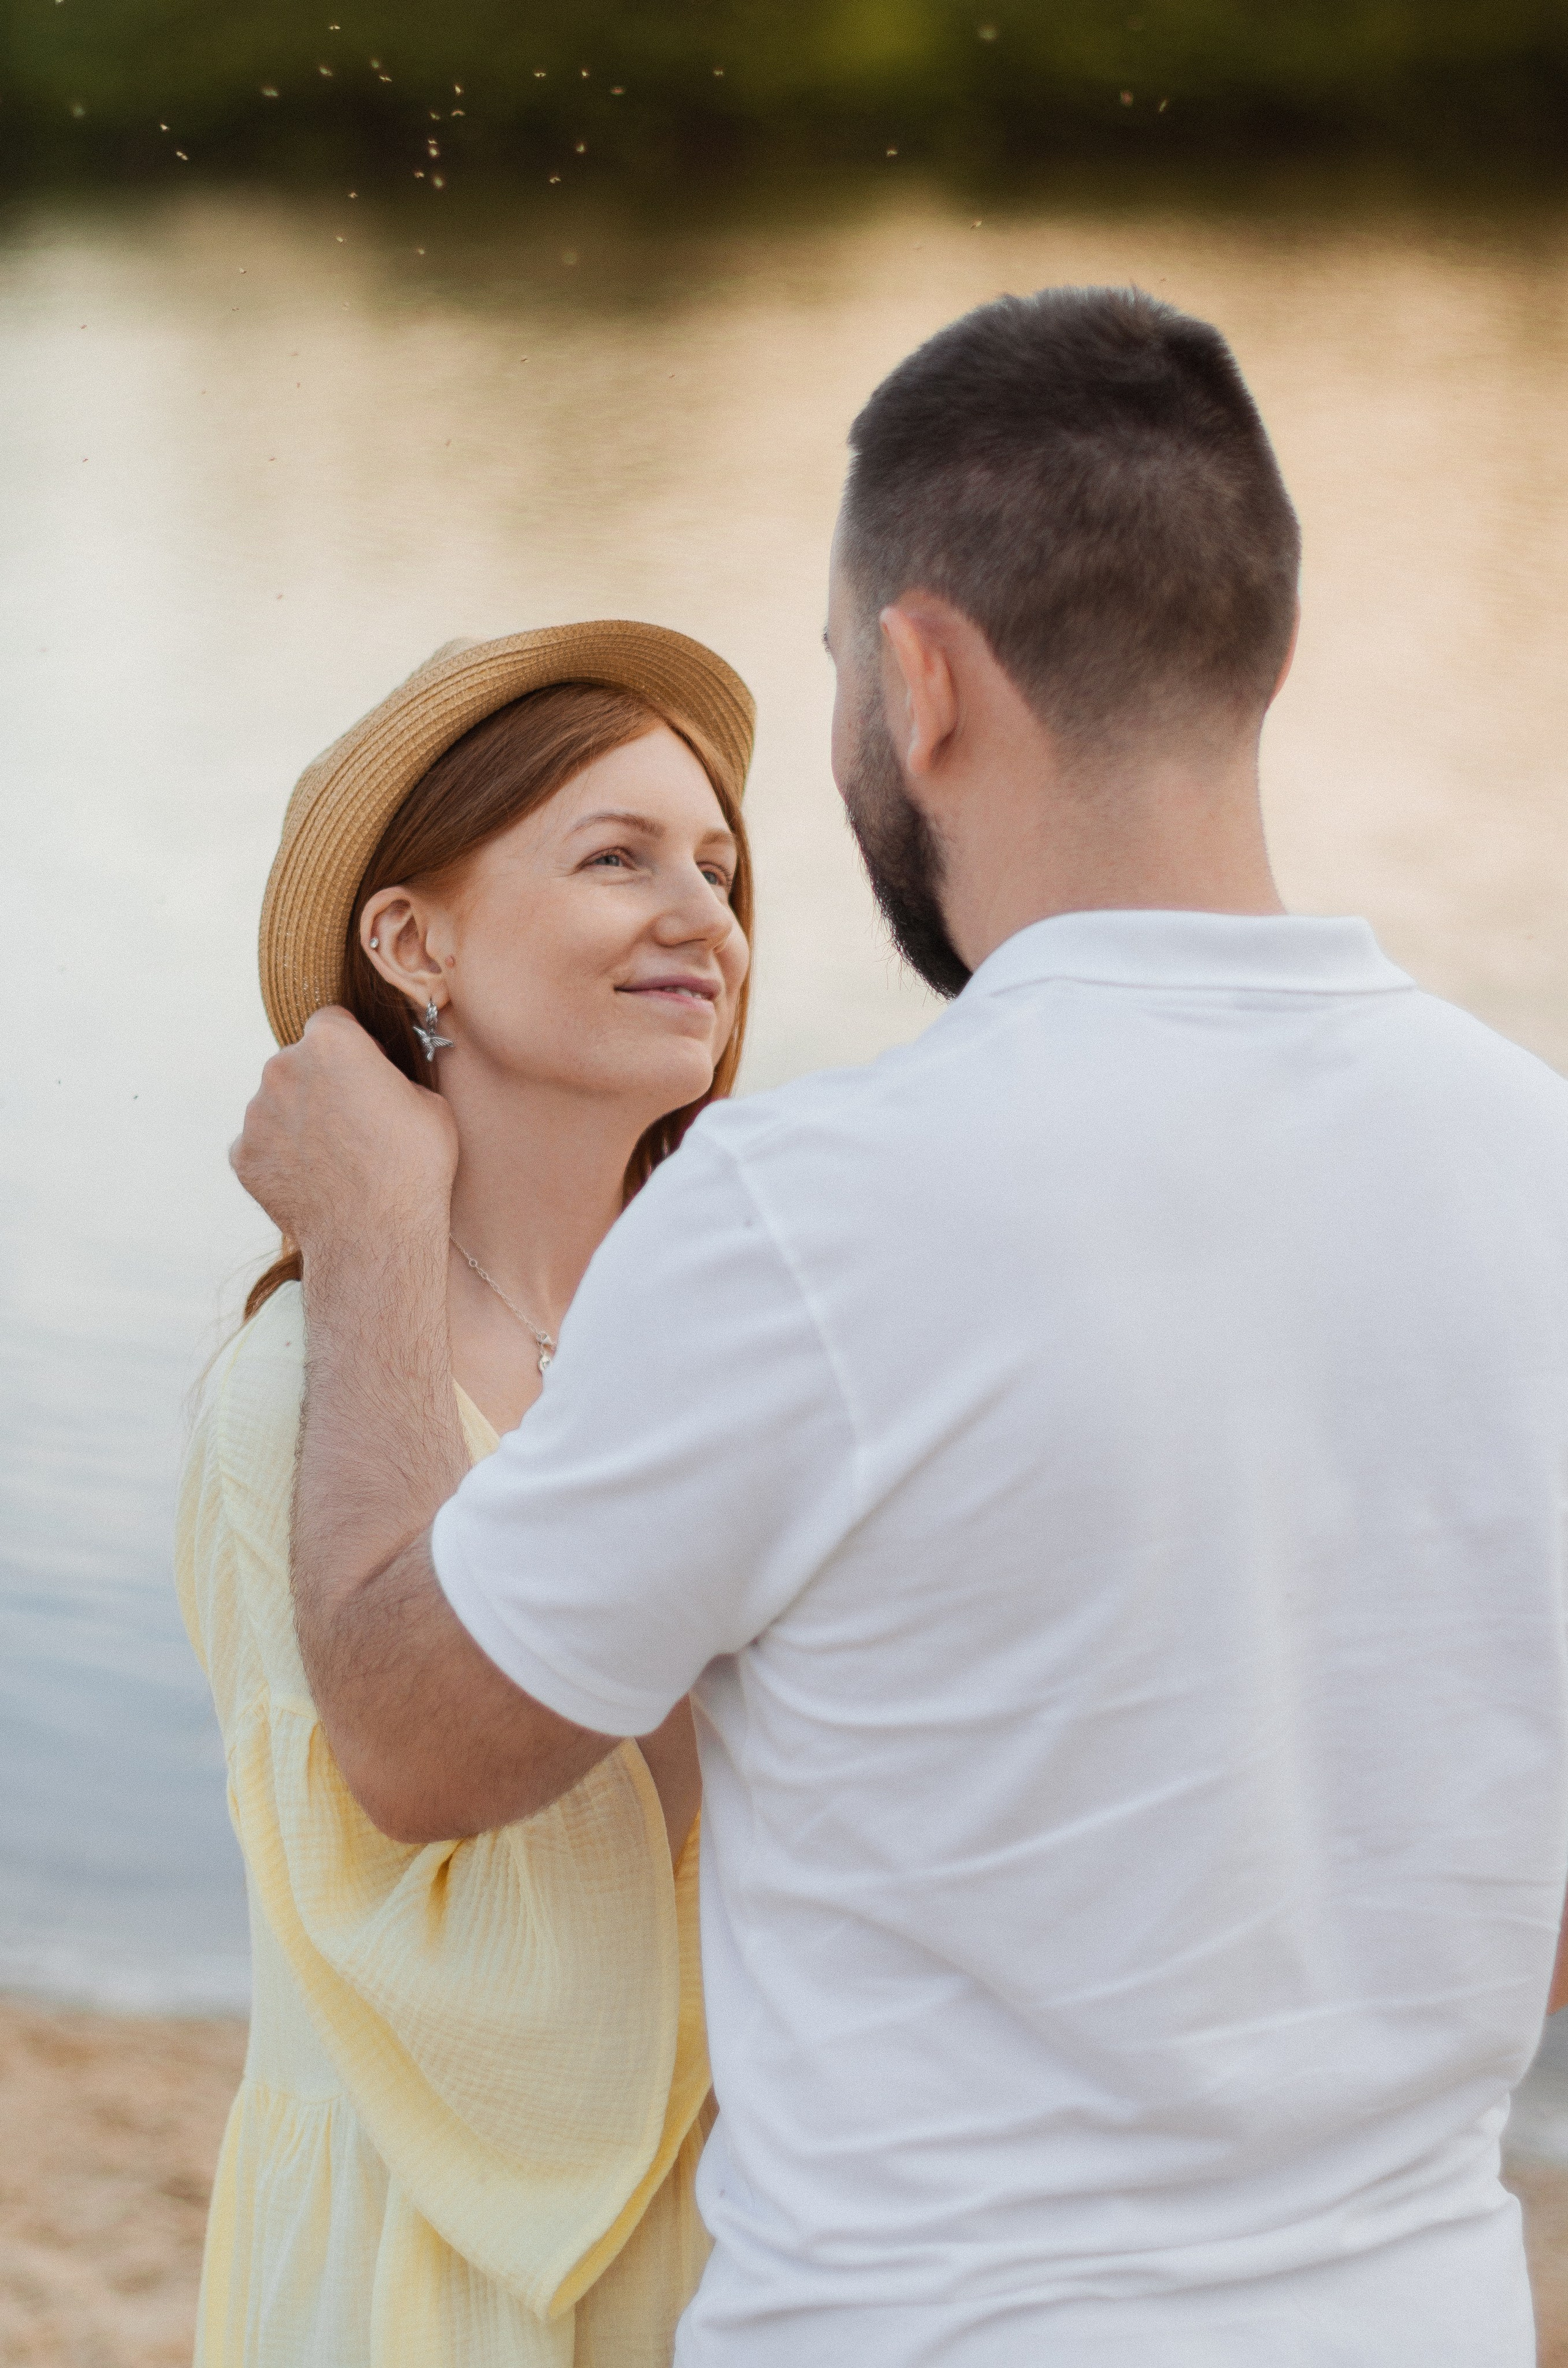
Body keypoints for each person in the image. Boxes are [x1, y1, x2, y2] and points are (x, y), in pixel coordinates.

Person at [230, 289, 1568, 2367]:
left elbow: (411, 1741)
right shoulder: (1539, 1164)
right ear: (1265, 651)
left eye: (845, 672)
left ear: (927, 680)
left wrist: (375, 1237)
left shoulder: (812, 1212)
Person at [178, 622, 755, 2364]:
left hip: (745, 2226)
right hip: (433, 2256)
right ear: (412, 937)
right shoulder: (290, 1391)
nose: (704, 915)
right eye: (618, 856)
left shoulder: (751, 1332)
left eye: (723, 869)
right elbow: (409, 1914)